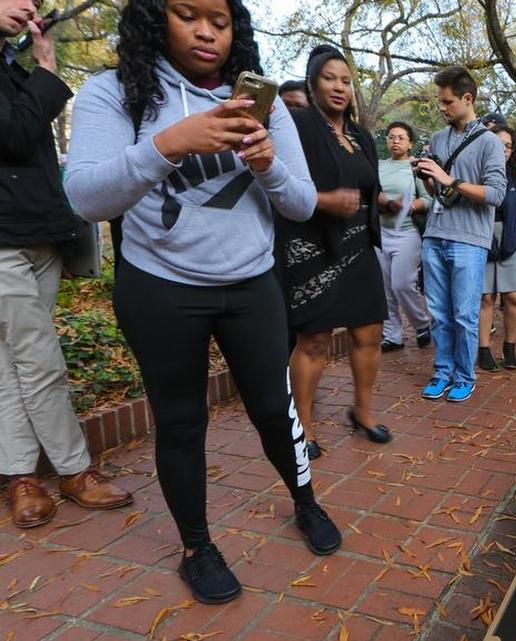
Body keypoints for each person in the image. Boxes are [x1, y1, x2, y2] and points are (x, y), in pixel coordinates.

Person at [64, 0, 341, 605]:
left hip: (250, 284)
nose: (207, 32)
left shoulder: (263, 103)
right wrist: (168, 144)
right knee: (182, 421)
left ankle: (305, 500)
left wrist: (267, 165)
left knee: (274, 406)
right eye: (189, 15)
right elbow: (85, 196)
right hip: (159, 286)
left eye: (220, 19)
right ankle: (198, 546)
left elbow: (298, 204)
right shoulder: (115, 92)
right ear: (154, 18)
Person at [0, 0, 133, 530]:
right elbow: (12, 135)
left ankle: (20, 477)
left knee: (12, 363)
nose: (27, 5)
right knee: (38, 358)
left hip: (40, 233)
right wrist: (49, 67)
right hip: (3, 240)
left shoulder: (12, 67)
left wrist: (37, 59)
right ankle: (75, 469)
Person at [277, 45, 390, 460]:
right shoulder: (298, 124)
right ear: (312, 83)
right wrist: (325, 199)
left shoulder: (359, 134)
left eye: (345, 80)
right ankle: (302, 429)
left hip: (359, 244)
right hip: (313, 245)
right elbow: (280, 181)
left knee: (369, 333)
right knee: (315, 339)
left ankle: (362, 412)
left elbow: (366, 186)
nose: (339, 87)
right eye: (329, 78)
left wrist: (382, 204)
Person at [413, 66, 506, 402]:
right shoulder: (438, 139)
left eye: (448, 101)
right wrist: (427, 176)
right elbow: (440, 192)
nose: (442, 107)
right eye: (440, 101)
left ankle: (465, 376)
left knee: (464, 312)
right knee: (437, 311)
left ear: (468, 99)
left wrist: (448, 178)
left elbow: (496, 194)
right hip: (435, 233)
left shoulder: (490, 143)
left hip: (469, 238)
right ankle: (442, 371)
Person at [477, 125, 516, 371]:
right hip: (482, 236)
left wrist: (514, 236)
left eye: (508, 145)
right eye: (498, 144)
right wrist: (486, 239)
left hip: (513, 238)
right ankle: (483, 350)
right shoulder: (477, 172)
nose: (503, 150)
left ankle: (509, 347)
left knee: (514, 297)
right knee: (485, 297)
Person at [377, 121, 432, 354]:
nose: (395, 141)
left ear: (410, 142)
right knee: (385, 287)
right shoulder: (378, 165)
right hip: (381, 231)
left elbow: (430, 198)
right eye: (391, 137)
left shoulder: (414, 166)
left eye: (401, 137)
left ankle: (422, 323)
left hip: (408, 232)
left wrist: (411, 206)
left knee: (401, 283)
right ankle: (392, 335)